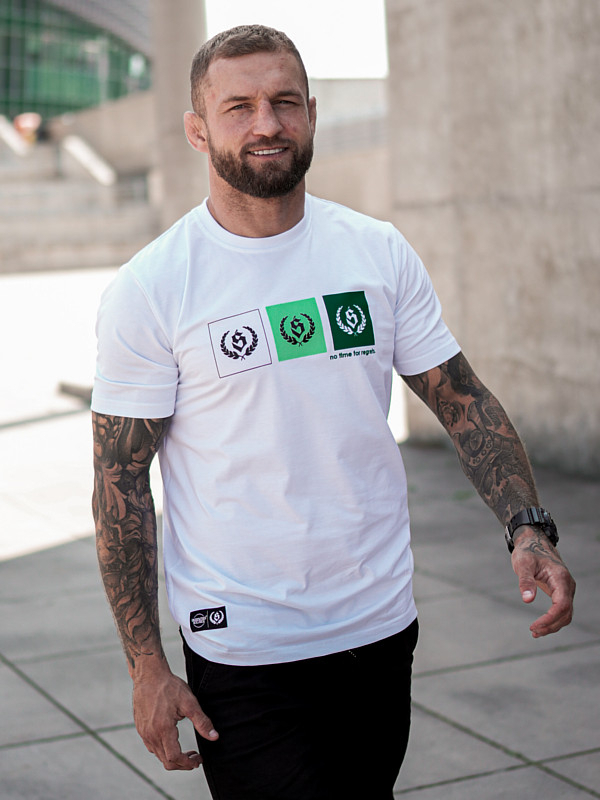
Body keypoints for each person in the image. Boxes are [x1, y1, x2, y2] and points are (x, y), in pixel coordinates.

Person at [91, 24, 575, 800]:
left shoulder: (376, 251)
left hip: (377, 626)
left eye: (285, 102)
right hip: (244, 643)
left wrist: (528, 526)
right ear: (197, 129)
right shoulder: (151, 288)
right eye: (239, 106)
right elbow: (120, 483)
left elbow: (462, 401)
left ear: (311, 113)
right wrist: (146, 664)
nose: (267, 124)